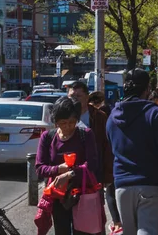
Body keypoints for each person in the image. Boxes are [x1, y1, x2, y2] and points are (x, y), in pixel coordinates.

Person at [106, 69, 158, 235]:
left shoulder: (112, 118)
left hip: (122, 187)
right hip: (150, 185)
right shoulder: (155, 114)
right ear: (147, 89)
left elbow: (111, 152)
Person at [35, 97, 99, 235]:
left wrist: (69, 174)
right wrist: (58, 169)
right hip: (59, 196)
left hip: (83, 193)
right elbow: (40, 167)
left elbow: (92, 163)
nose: (68, 126)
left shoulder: (85, 135)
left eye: (72, 122)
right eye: (63, 123)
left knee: (84, 231)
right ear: (56, 122)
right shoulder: (48, 137)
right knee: (62, 231)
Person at [68, 82, 116, 233]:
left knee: (94, 218)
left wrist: (108, 175)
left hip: (93, 176)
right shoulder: (63, 116)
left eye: (78, 96)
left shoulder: (99, 116)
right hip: (69, 176)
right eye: (71, 96)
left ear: (87, 97)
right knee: (70, 219)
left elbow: (107, 147)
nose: (74, 99)